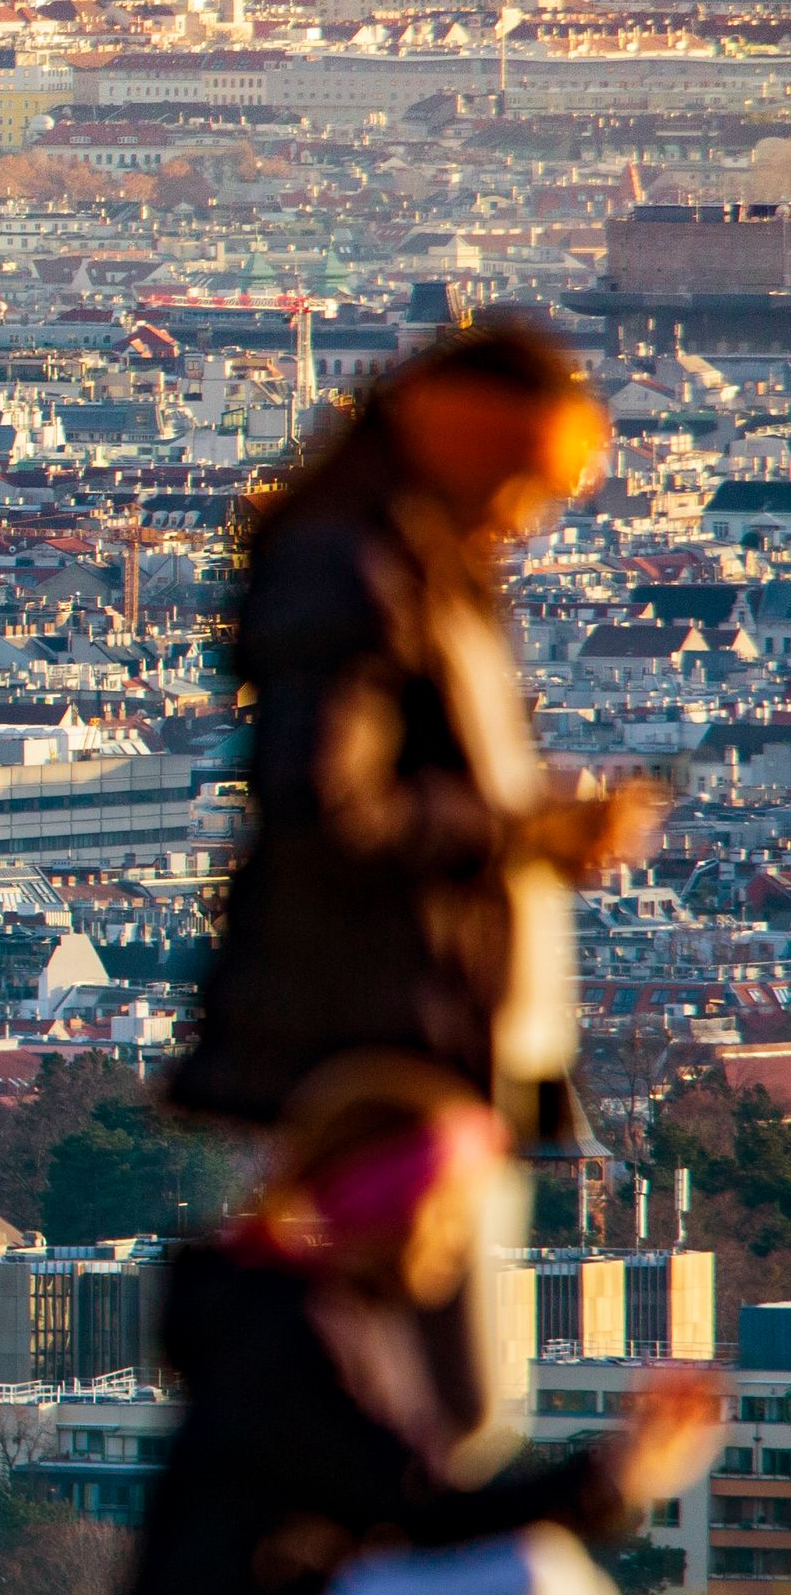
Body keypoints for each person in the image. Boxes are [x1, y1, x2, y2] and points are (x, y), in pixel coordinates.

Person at [134, 1055, 715, 1595]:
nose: (460, 1240)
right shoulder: (303, 1334)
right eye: (451, 1211)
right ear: (394, 1207)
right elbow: (420, 1507)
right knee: (533, 1590)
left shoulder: (320, 1313)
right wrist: (611, 1480)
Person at [170, 319, 649, 1155]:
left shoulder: (415, 560)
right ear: (466, 443)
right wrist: (524, 830)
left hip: (417, 1032)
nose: (526, 518)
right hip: (382, 1049)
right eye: (524, 483)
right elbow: (331, 804)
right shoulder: (352, 566)